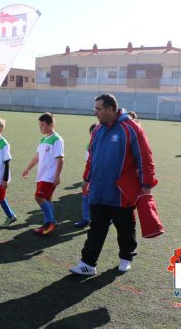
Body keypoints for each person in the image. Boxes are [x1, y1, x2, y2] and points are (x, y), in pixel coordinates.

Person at [70, 94, 157, 276]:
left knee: (124, 227)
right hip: (98, 190)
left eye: (98, 109)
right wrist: (86, 179)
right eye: (95, 109)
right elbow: (92, 158)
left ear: (110, 109)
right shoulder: (97, 130)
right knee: (96, 228)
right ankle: (88, 263)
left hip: (121, 192)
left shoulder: (131, 128)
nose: (95, 112)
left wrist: (146, 185)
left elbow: (145, 157)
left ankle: (126, 257)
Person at [22, 112, 64, 236]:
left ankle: (52, 222)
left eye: (43, 125)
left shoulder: (57, 139)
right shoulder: (43, 139)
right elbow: (37, 156)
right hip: (42, 175)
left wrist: (57, 176)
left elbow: (60, 159)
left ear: (51, 125)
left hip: (50, 176)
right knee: (47, 200)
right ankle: (46, 225)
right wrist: (28, 168)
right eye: (39, 125)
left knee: (38, 197)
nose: (40, 127)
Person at [74, 123, 97, 228]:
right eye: (92, 134)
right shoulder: (89, 145)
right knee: (85, 197)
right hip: (89, 176)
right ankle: (85, 219)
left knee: (96, 200)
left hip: (99, 177)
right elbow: (87, 161)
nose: (93, 136)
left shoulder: (104, 145)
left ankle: (99, 220)